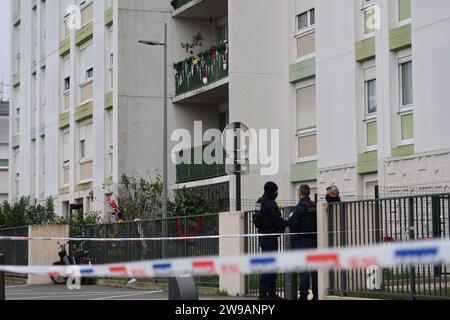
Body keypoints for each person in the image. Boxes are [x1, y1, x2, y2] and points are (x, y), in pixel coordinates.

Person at [255, 181, 287, 300]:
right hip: (270, 238)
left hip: (263, 237)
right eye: (275, 191)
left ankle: (266, 294)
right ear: (271, 191)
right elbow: (277, 221)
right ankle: (268, 295)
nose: (276, 193)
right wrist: (287, 223)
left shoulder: (259, 202)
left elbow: (256, 221)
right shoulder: (270, 204)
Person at [288, 184, 318, 301]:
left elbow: (293, 223)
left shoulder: (299, 207)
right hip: (315, 241)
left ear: (300, 193)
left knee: (304, 270)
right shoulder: (315, 206)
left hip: (302, 242)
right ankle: (316, 294)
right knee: (315, 271)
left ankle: (303, 295)